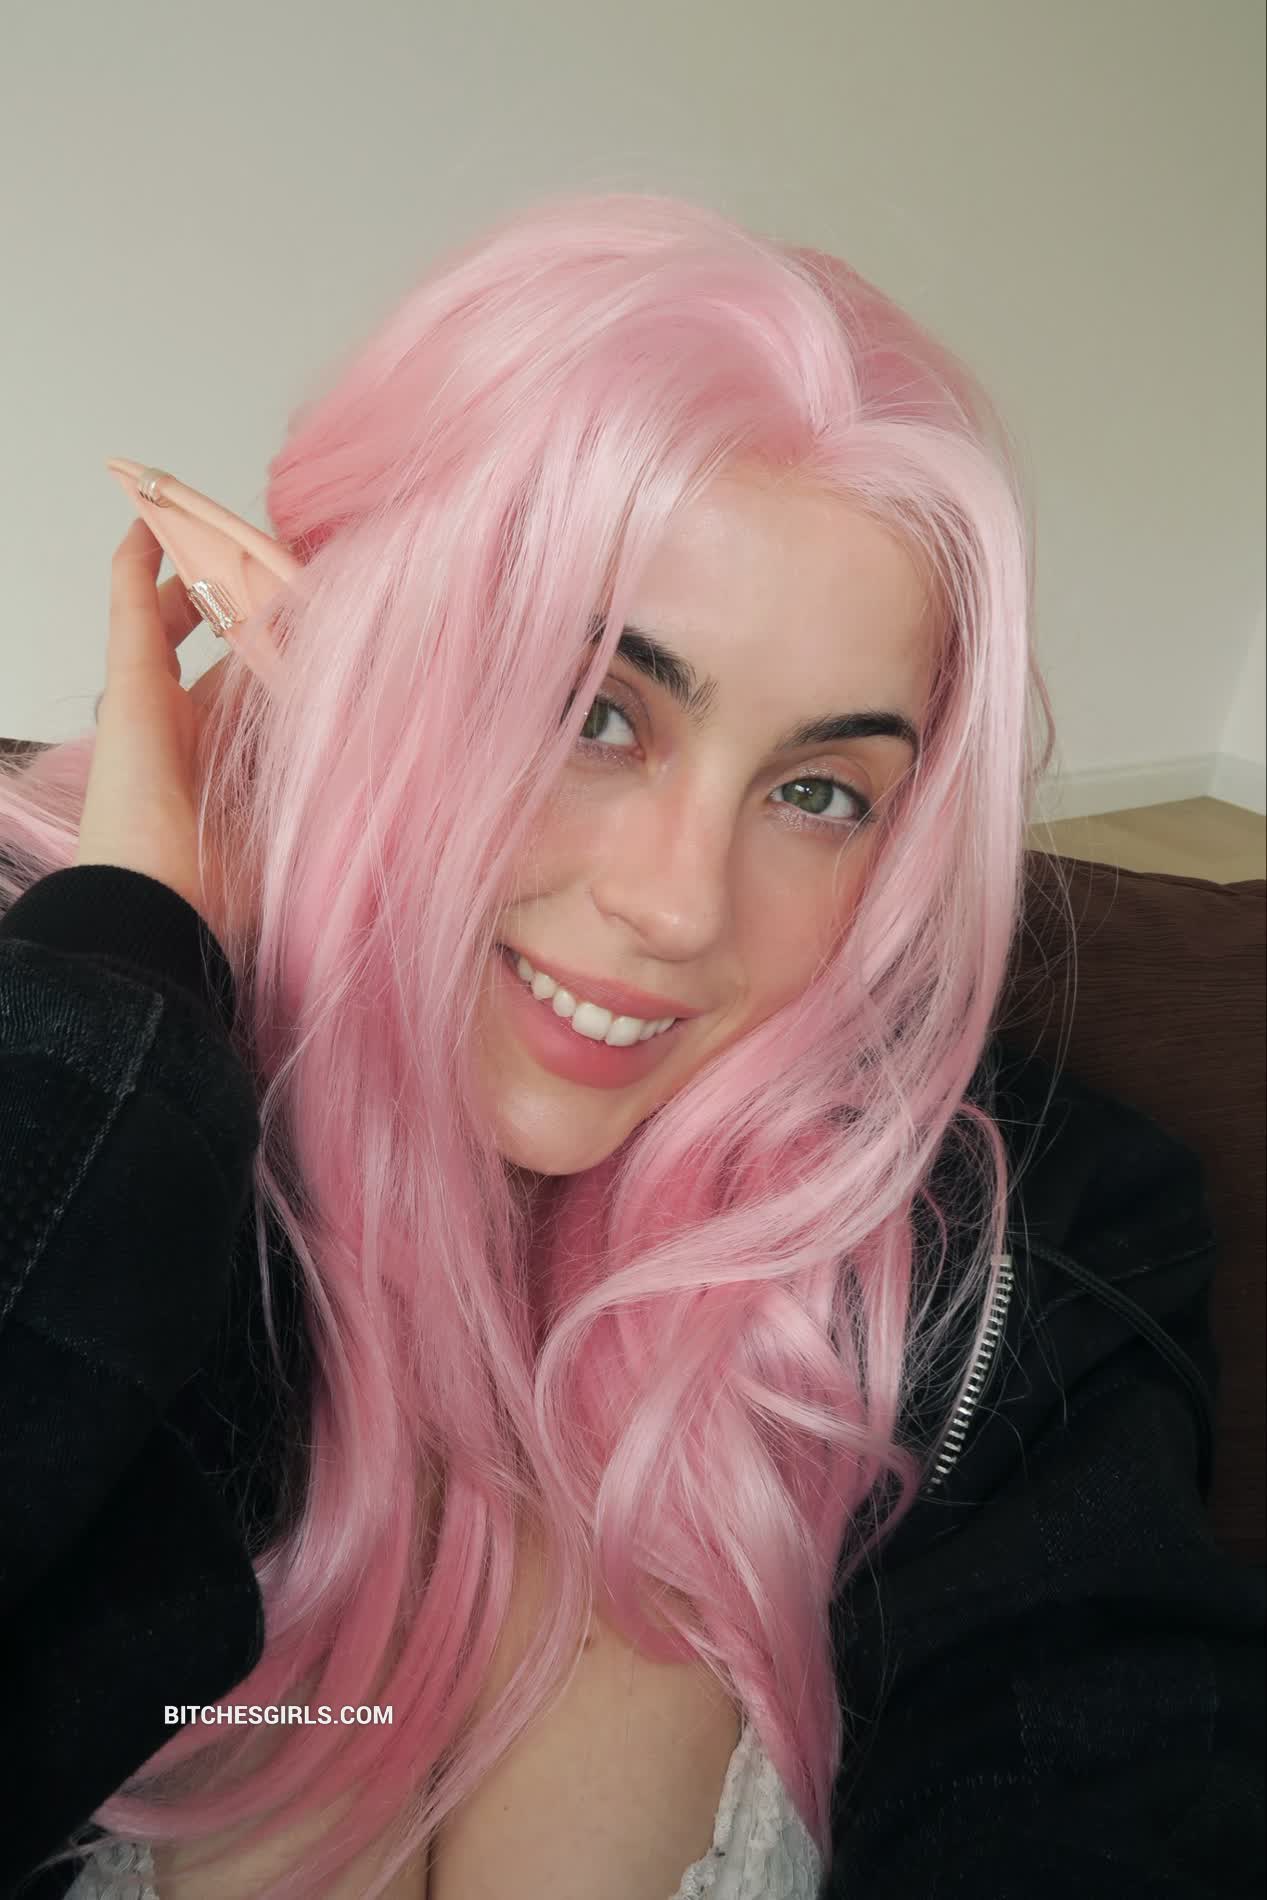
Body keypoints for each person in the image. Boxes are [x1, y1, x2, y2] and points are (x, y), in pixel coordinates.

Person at [0, 191, 1261, 1900]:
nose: (678, 905)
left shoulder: (1031, 1248)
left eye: (820, 793)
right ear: (334, 641)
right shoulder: (66, 1060)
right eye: (594, 707)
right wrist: (132, 971)